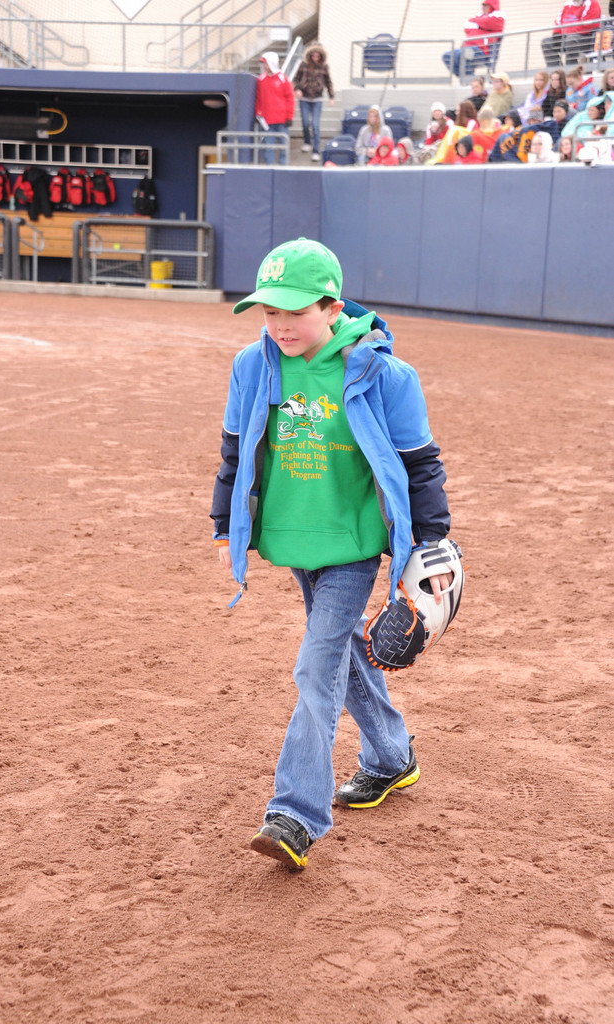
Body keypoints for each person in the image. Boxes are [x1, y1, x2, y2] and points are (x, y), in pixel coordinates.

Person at [211, 237, 454, 871]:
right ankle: (392, 758)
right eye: (270, 312)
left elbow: (419, 463)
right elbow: (236, 449)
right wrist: (223, 523)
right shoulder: (251, 366)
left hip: (353, 543)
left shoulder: (383, 373)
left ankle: (295, 813)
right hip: (293, 537)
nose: (282, 326)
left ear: (332, 305)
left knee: (317, 667)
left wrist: (430, 540)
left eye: (296, 311)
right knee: (344, 645)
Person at [293, 42, 335, 163]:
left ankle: (316, 151)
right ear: (310, 54)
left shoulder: (324, 67)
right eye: (313, 55)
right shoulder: (303, 65)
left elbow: (329, 82)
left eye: (318, 55)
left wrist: (331, 97)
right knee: (306, 123)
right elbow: (295, 79)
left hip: (317, 99)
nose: (315, 57)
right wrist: (297, 89)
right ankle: (307, 141)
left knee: (315, 125)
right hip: (304, 99)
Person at [442, 0, 505, 80]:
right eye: (483, 5)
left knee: (463, 54)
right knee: (447, 56)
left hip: (481, 51)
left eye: (486, 5)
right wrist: (481, 24)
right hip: (467, 47)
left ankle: (470, 80)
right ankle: (466, 79)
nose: (483, 7)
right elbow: (467, 26)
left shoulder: (497, 18)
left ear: (492, 7)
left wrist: (477, 22)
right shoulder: (480, 17)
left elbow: (487, 22)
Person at [255, 51, 295, 165]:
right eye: (263, 63)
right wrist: (258, 114)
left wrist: (289, 117)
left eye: (265, 63)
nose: (264, 66)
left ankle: (283, 170)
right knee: (268, 148)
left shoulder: (283, 79)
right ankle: (270, 171)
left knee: (284, 147)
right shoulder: (261, 80)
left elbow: (290, 98)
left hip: (282, 120)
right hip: (267, 121)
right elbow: (258, 99)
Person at [541, 0, 602, 68]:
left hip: (587, 37)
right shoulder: (568, 4)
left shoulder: (591, 2)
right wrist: (557, 34)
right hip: (568, 36)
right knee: (546, 42)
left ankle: (571, 71)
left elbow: (588, 24)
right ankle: (557, 72)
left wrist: (566, 34)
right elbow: (559, 21)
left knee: (570, 40)